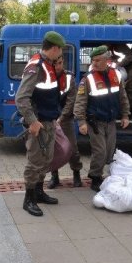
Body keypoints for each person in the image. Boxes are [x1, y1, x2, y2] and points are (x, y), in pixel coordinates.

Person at [15, 31, 65, 216]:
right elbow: (21, 98)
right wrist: (33, 122)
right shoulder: (36, 66)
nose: (60, 55)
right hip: (39, 124)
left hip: (49, 121)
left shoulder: (48, 65)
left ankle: (38, 192)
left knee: (46, 159)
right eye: (60, 51)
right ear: (54, 48)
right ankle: (28, 199)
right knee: (35, 162)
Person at [74, 45, 130, 191]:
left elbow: (122, 97)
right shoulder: (88, 78)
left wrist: (125, 115)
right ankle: (95, 177)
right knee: (100, 151)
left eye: (98, 60)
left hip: (110, 120)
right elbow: (80, 101)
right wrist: (81, 122)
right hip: (95, 122)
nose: (94, 63)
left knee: (109, 151)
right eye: (93, 61)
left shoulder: (116, 74)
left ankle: (100, 174)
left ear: (107, 60)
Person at [47, 56, 83, 189]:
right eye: (56, 64)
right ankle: (54, 177)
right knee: (52, 149)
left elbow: (71, 100)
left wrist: (61, 118)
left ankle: (76, 173)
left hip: (65, 119)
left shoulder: (69, 78)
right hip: (50, 119)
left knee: (72, 148)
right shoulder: (46, 77)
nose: (58, 66)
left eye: (61, 63)